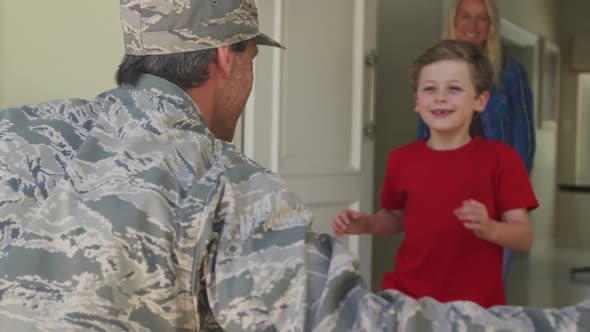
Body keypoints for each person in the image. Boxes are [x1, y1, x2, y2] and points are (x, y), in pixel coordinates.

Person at [0, 1, 588, 331]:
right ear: (228, 59)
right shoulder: (225, 185)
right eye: (253, 59)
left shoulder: (14, 130)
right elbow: (355, 324)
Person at [333, 39, 537, 308]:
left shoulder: (501, 159)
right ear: (417, 102)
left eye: (454, 89)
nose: (440, 97)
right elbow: (398, 218)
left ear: (480, 100)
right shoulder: (401, 160)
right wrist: (367, 224)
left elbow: (524, 236)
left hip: (474, 307)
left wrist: (490, 228)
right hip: (407, 302)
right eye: (430, 89)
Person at [417, 0, 537, 284]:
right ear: (454, 20)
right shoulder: (432, 69)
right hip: (445, 188)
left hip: (494, 191)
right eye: (466, 17)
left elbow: (525, 141)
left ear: (492, 25)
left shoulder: (510, 71)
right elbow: (424, 135)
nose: (472, 26)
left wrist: (511, 197)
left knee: (487, 286)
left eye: (482, 19)